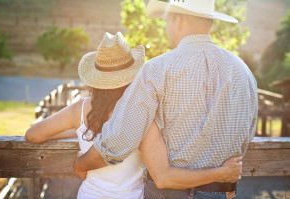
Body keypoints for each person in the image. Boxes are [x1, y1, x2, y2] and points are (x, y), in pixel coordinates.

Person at [74, 1, 258, 199]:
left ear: (177, 20)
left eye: (167, 21)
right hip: (221, 193)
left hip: (170, 194)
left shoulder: (156, 70)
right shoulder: (243, 72)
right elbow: (247, 134)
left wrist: (81, 163)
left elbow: (118, 140)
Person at [26, 32, 243, 199]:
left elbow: (33, 135)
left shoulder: (80, 110)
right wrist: (221, 172)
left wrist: (80, 132)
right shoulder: (142, 117)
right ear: (132, 76)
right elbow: (165, 177)